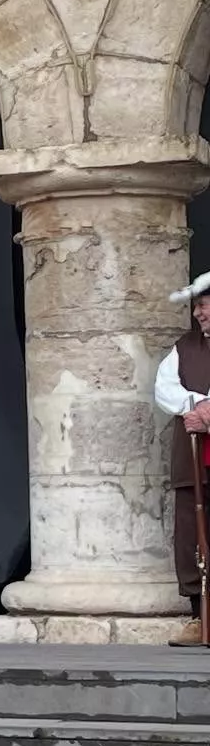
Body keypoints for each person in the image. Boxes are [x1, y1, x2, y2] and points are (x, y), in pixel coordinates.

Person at [155, 271, 210, 646]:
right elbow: (164, 389)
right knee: (193, 535)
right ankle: (200, 617)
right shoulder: (183, 347)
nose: (200, 314)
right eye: (197, 307)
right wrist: (198, 407)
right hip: (193, 459)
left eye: (205, 306)